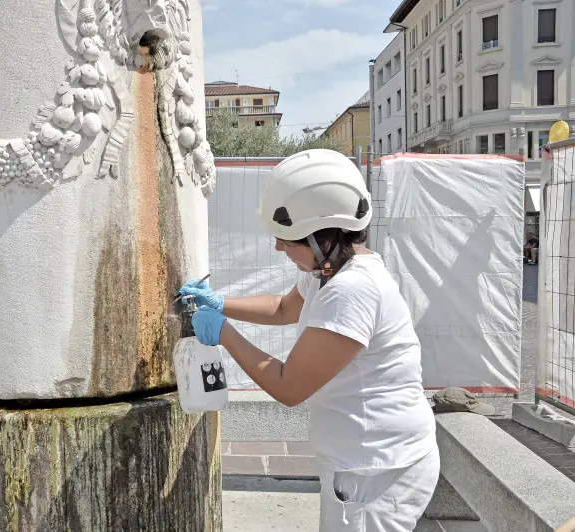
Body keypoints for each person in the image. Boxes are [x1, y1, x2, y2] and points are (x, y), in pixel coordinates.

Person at [179, 149, 439, 531]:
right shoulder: (331, 271)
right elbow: (284, 308)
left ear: (324, 238)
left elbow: (289, 387)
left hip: (376, 470)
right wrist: (221, 303)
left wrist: (223, 333)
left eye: (287, 239)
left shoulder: (351, 290)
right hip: (366, 461)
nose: (278, 248)